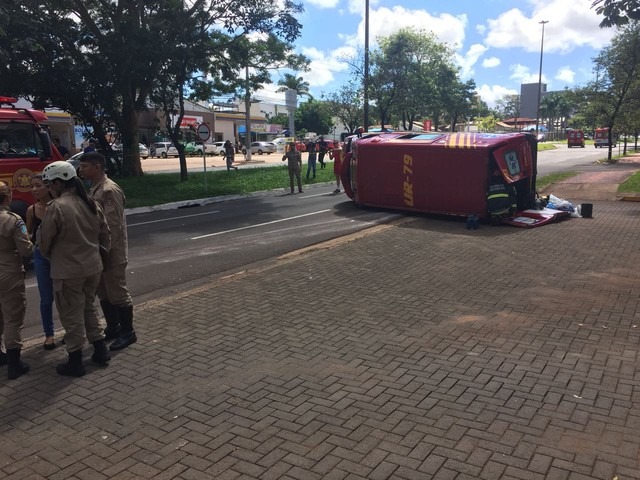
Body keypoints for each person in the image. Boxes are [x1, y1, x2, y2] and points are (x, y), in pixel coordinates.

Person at [39, 161, 111, 377]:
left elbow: (43, 243)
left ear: (59, 183)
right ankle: (100, 351)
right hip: (92, 267)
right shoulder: (90, 202)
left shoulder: (57, 207)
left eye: (50, 185)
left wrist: (52, 256)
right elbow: (105, 234)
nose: (49, 189)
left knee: (71, 316)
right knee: (89, 308)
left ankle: (75, 361)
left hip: (68, 271)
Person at [79, 152, 136, 351]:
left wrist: (106, 252)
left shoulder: (109, 190)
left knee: (117, 293)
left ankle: (128, 332)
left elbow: (113, 226)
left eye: (85, 166)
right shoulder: (94, 189)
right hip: (98, 251)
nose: (81, 169)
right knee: (103, 292)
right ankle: (114, 326)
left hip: (112, 252)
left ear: (97, 167)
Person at [0, 181, 34, 379]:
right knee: (13, 318)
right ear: (8, 198)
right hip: (8, 273)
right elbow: (25, 250)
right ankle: (14, 363)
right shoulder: (13, 220)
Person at [26, 175, 56, 350]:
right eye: (32, 186)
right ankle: (49, 334)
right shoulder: (31, 210)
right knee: (46, 298)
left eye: (38, 186)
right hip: (40, 256)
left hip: (60, 256)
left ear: (49, 187)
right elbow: (28, 234)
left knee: (64, 296)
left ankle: (70, 330)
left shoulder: (58, 206)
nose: (34, 190)